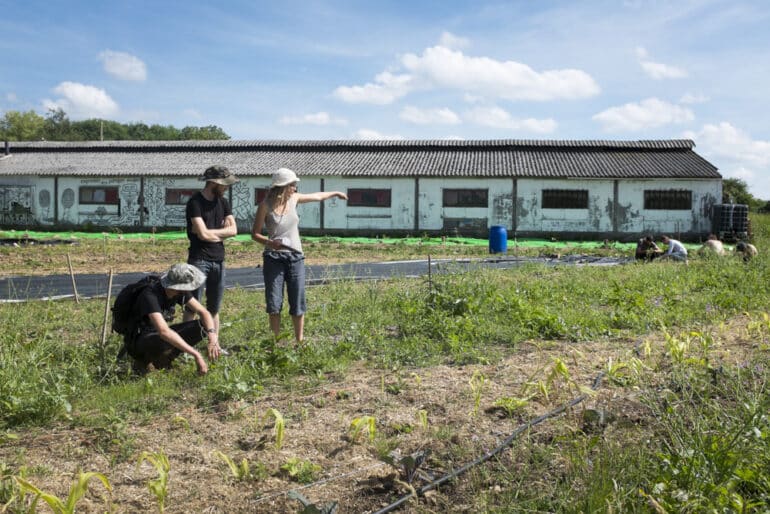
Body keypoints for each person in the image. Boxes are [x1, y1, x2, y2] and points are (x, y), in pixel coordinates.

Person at [251, 168, 348, 343]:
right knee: (274, 302)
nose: (295, 189)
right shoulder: (265, 206)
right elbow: (255, 234)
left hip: (295, 258)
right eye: (293, 185)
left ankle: (299, 341)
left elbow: (317, 196)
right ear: (283, 186)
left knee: (297, 300)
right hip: (273, 258)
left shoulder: (294, 199)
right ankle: (275, 342)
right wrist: (271, 243)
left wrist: (335, 193)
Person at [125, 263, 222, 375]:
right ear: (176, 286)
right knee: (166, 338)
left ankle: (164, 360)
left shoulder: (179, 292)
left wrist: (212, 335)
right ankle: (143, 362)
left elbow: (203, 312)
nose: (186, 291)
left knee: (202, 326)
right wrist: (196, 354)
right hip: (139, 340)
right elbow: (164, 332)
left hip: (156, 333)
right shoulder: (149, 295)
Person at [184, 165, 239, 335]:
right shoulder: (195, 202)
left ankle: (214, 344)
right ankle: (185, 346)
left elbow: (234, 230)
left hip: (219, 260)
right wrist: (220, 233)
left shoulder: (223, 202)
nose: (226, 187)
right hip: (199, 259)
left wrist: (211, 233)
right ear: (213, 183)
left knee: (214, 308)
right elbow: (202, 234)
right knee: (192, 305)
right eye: (224, 184)